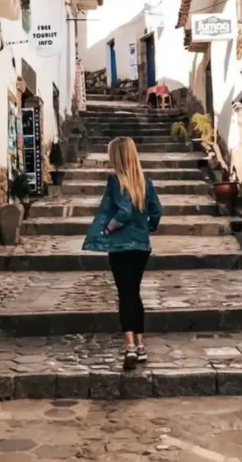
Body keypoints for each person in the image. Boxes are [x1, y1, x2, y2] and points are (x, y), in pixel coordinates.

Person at [82, 137, 162, 370]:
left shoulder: (116, 180)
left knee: (125, 294)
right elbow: (157, 209)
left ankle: (129, 346)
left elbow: (124, 210)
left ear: (116, 156)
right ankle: (140, 345)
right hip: (141, 246)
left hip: (120, 246)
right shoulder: (145, 181)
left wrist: (109, 227)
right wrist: (150, 226)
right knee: (135, 293)